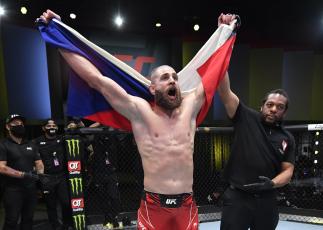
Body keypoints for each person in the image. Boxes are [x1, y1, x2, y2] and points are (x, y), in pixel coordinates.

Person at [39, 10, 237, 230]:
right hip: (153, 207)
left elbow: (215, 71)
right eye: (165, 78)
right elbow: (96, 80)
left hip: (186, 206)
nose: (172, 80)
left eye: (175, 77)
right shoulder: (140, 111)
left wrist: (224, 32)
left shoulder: (190, 107)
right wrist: (56, 34)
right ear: (152, 88)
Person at [217, 72, 296, 230]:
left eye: (280, 107)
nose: (274, 109)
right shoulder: (246, 117)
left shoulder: (287, 138)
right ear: (262, 106)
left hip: (267, 199)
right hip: (238, 197)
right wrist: (221, 60)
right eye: (270, 104)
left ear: (284, 112)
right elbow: (225, 92)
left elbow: (288, 171)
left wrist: (272, 184)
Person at [0, 114, 44, 230]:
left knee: (28, 219)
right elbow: (1, 167)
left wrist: (40, 176)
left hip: (30, 189)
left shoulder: (30, 144)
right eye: (15, 124)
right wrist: (23, 175)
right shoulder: (3, 144)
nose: (19, 125)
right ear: (8, 127)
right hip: (12, 190)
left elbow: (39, 163)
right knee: (12, 220)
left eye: (21, 124)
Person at [33, 119, 72, 230]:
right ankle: (55, 225)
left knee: (65, 202)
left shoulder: (62, 139)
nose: (51, 127)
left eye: (54, 125)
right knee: (51, 204)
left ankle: (67, 224)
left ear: (57, 128)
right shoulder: (37, 142)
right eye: (49, 125)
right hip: (47, 178)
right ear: (43, 128)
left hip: (61, 176)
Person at [86, 123, 123, 229]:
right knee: (103, 198)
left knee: (114, 196)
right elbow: (88, 129)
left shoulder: (112, 135)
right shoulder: (96, 135)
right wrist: (98, 121)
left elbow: (121, 129)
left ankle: (115, 217)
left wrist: (109, 122)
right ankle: (107, 218)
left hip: (111, 172)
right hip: (99, 172)